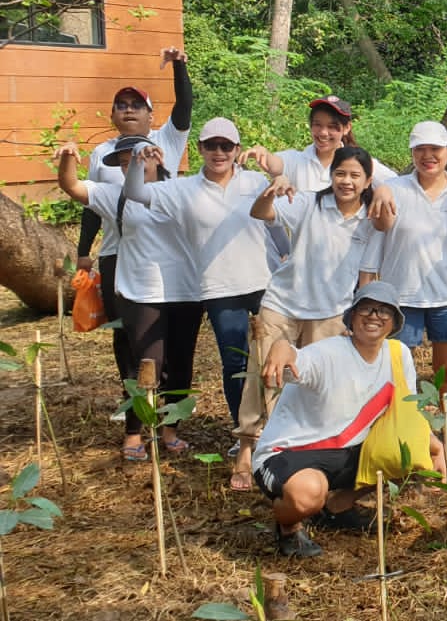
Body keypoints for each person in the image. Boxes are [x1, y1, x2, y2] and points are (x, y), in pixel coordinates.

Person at [252, 281, 446, 558]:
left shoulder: (397, 354)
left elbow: (407, 412)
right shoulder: (330, 352)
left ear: (394, 322)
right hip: (290, 452)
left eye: (384, 311)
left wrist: (435, 448)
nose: (374, 316)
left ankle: (335, 509)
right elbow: (297, 359)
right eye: (366, 308)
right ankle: (289, 527)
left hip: (347, 450)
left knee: (409, 454)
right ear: (352, 316)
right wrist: (282, 347)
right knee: (307, 493)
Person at [234, 145, 382, 491]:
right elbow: (261, 214)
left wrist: (355, 322)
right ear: (331, 176)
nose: (346, 181)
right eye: (340, 173)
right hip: (283, 303)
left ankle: (302, 448)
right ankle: (246, 448)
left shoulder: (370, 221)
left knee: (316, 383)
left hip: (332, 312)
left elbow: (366, 275)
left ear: (367, 180)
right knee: (262, 374)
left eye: (354, 175)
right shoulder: (309, 203)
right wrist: (270, 191)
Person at [120, 118, 272, 447]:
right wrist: (136, 160)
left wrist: (286, 256)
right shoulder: (181, 190)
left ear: (237, 150)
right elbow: (134, 192)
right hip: (219, 289)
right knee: (235, 362)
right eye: (211, 145)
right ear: (199, 148)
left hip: (264, 283)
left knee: (273, 359)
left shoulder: (256, 182)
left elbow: (273, 224)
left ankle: (275, 430)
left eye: (226, 146)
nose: (219, 152)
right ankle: (243, 432)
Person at [57, 136, 200, 461]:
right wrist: (68, 157)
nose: (130, 165)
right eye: (123, 163)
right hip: (140, 292)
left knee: (180, 363)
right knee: (146, 363)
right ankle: (135, 432)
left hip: (186, 292)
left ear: (158, 157)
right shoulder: (115, 196)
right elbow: (72, 186)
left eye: (137, 157)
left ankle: (171, 428)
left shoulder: (185, 190)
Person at [360, 121, 447, 478]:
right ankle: (414, 447)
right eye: (420, 150)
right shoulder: (393, 189)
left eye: (435, 150)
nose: (428, 157)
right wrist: (366, 294)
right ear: (412, 154)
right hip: (402, 299)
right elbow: (376, 241)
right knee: (401, 378)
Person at [77, 48, 193, 420]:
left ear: (150, 115)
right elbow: (92, 203)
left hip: (166, 256)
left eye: (136, 104)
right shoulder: (101, 153)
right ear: (112, 115)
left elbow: (185, 105)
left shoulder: (165, 141)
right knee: (126, 332)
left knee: (169, 334)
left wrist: (179, 65)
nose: (128, 109)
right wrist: (85, 251)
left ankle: (169, 411)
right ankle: (135, 408)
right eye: (121, 105)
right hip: (116, 254)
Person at [240, 96, 398, 192]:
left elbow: (397, 185)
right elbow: (275, 164)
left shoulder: (359, 163)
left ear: (346, 128)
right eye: (317, 125)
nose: (323, 133)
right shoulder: (298, 160)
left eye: (332, 127)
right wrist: (262, 152)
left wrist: (382, 191)